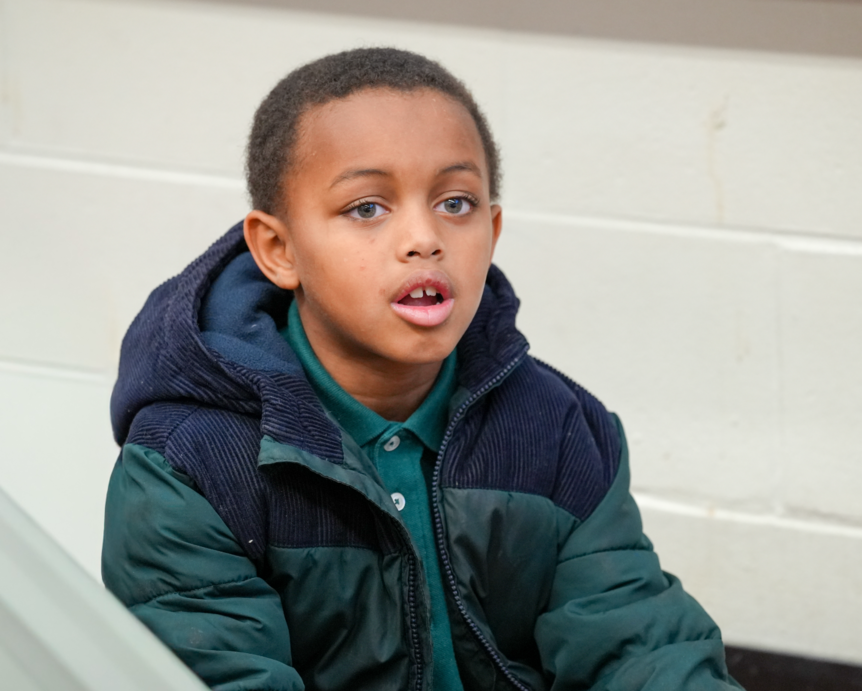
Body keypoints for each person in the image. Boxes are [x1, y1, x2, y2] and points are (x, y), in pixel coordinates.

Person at [102, 47, 743, 691]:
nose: (424, 237)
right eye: (367, 208)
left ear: (492, 230)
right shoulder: (186, 464)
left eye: (456, 203)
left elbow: (638, 645)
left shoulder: (560, 427)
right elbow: (220, 672)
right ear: (279, 249)